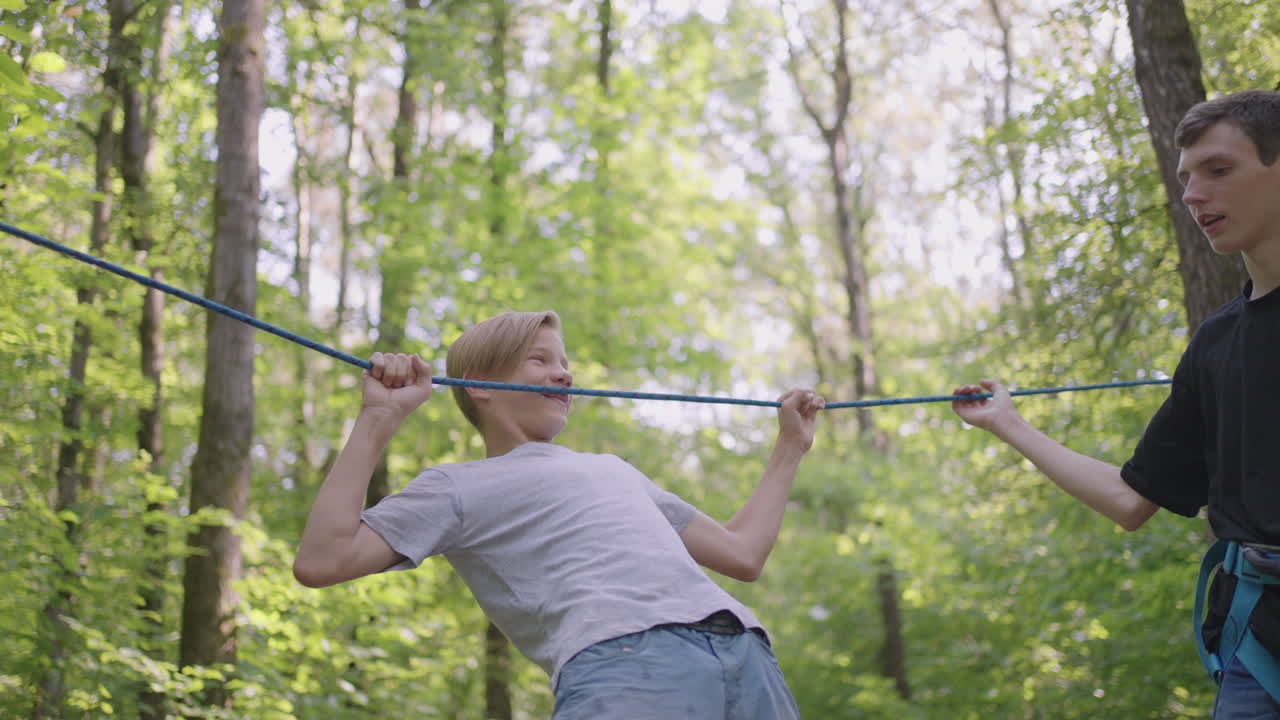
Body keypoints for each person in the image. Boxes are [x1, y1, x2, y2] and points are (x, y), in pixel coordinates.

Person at [292, 310, 824, 719]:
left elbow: (743, 553)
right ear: (481, 386)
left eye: (564, 362)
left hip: (748, 655)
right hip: (626, 661)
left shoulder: (613, 469)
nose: (563, 374)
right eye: (540, 360)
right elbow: (323, 559)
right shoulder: (456, 486)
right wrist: (379, 417)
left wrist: (789, 448)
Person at [950, 89, 1280, 720]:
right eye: (1185, 178)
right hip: (1259, 655)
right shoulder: (1216, 345)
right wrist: (1009, 424)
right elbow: (1132, 500)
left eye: (1218, 169)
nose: (1191, 195)